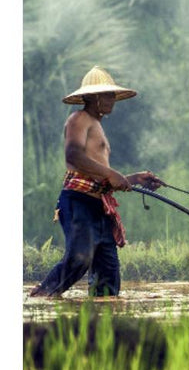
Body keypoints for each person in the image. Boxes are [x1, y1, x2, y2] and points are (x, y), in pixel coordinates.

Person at [29, 67, 163, 297]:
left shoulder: (98, 126)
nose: (111, 99)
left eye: (112, 94)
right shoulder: (78, 118)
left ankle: (101, 320)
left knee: (108, 277)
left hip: (98, 206)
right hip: (78, 203)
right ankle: (39, 300)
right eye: (106, 94)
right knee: (79, 258)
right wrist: (112, 174)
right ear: (92, 97)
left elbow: (102, 177)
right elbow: (73, 155)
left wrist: (135, 178)